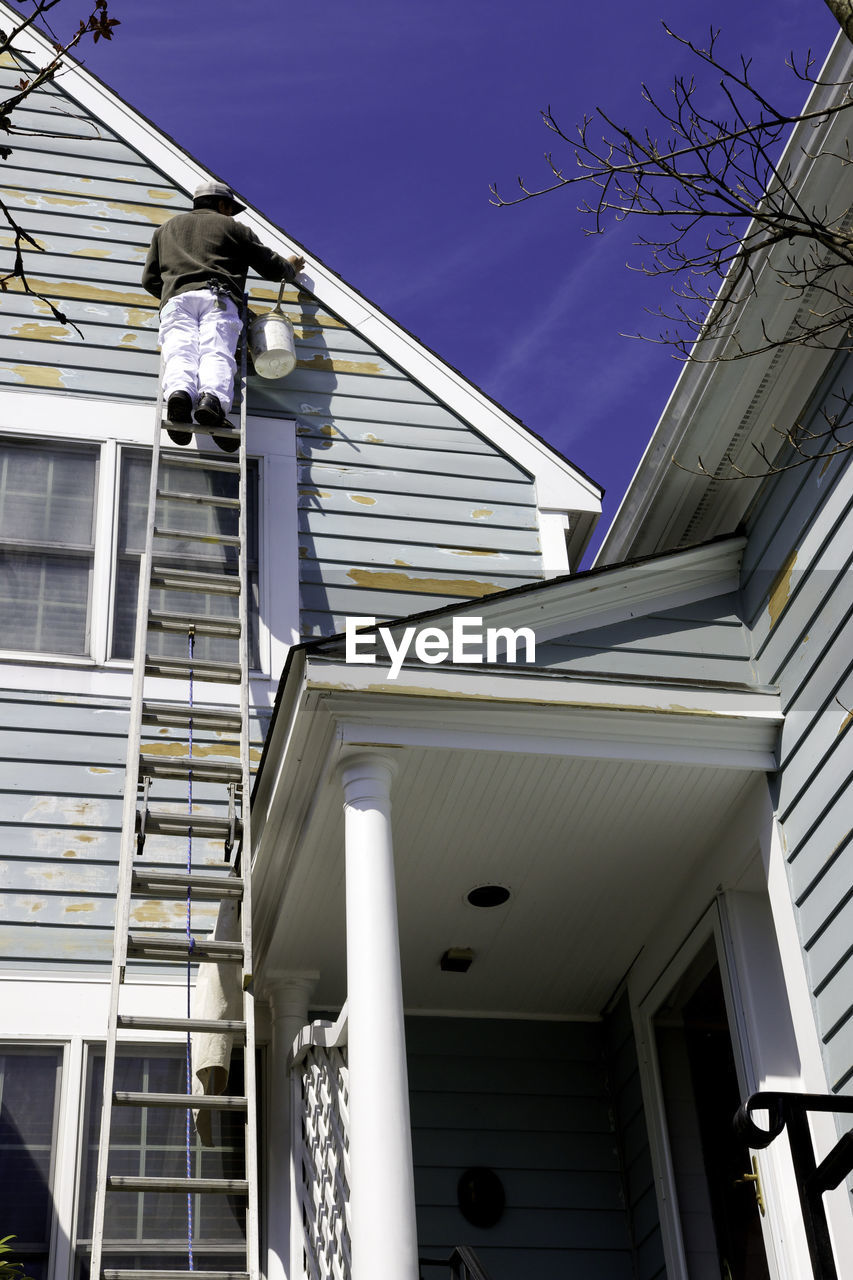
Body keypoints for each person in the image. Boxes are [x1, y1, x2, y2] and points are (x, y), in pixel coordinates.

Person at [142, 179, 305, 449]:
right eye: (230, 208)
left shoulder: (165, 230)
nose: (230, 213)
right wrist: (290, 268)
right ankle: (212, 402)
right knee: (215, 351)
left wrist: (174, 289)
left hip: (177, 301)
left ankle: (179, 396)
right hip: (218, 298)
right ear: (221, 205)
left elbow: (149, 281)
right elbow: (272, 268)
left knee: (180, 350)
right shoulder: (234, 228)